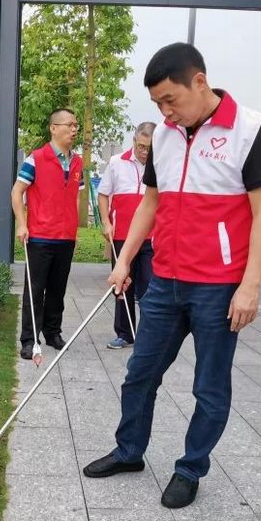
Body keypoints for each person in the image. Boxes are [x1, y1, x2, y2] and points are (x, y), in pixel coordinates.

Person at [82, 43, 261, 509]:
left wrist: (250, 286)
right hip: (165, 280)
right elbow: (152, 202)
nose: (166, 112)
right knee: (139, 374)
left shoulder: (250, 130)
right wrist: (125, 259)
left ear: (199, 81)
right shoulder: (167, 136)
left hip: (218, 286)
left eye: (171, 99)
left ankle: (190, 468)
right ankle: (130, 451)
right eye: (157, 105)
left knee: (209, 387)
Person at [11, 108, 83, 361]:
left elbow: (74, 196)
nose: (74, 129)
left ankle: (53, 332)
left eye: (76, 125)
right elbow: (16, 192)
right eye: (69, 125)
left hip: (66, 237)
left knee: (57, 289)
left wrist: (74, 228)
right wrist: (22, 224)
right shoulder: (36, 158)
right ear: (53, 128)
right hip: (40, 236)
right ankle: (30, 339)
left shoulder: (77, 162)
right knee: (35, 289)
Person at [97, 122, 156, 350]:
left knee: (150, 286)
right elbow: (103, 195)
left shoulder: (160, 164)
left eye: (149, 148)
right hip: (121, 234)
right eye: (141, 146)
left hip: (152, 237)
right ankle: (124, 333)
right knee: (122, 285)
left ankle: (148, 335)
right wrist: (105, 222)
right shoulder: (116, 163)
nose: (144, 152)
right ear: (134, 140)